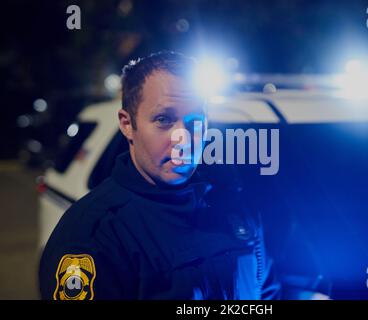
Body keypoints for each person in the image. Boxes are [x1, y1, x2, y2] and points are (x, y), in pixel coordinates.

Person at [39, 51, 280, 300]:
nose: (183, 139)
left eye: (195, 122)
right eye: (164, 119)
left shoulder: (232, 206)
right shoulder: (91, 236)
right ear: (126, 124)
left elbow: (266, 291)